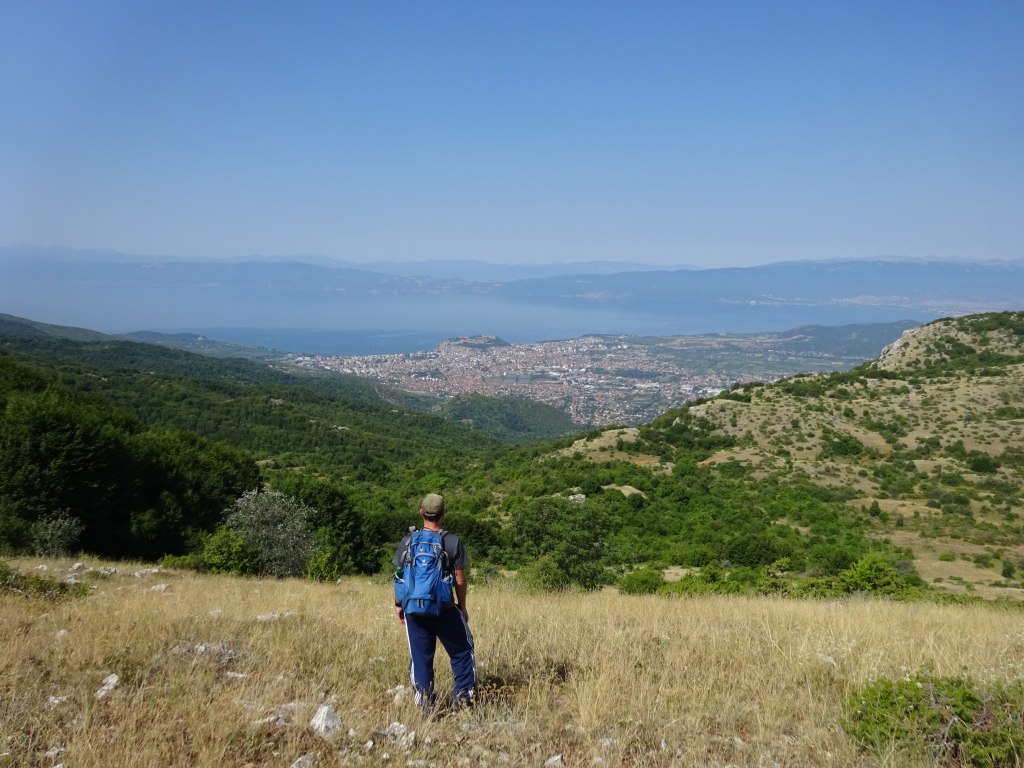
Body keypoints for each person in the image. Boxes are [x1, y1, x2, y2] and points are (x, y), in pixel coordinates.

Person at [393, 493, 476, 710]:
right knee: (462, 651)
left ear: (422, 513)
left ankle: (425, 705)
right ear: (443, 515)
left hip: (414, 609)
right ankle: (464, 698)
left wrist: (400, 605)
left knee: (420, 658)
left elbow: (400, 576)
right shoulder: (452, 541)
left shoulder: (408, 541)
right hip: (444, 609)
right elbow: (459, 579)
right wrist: (463, 607)